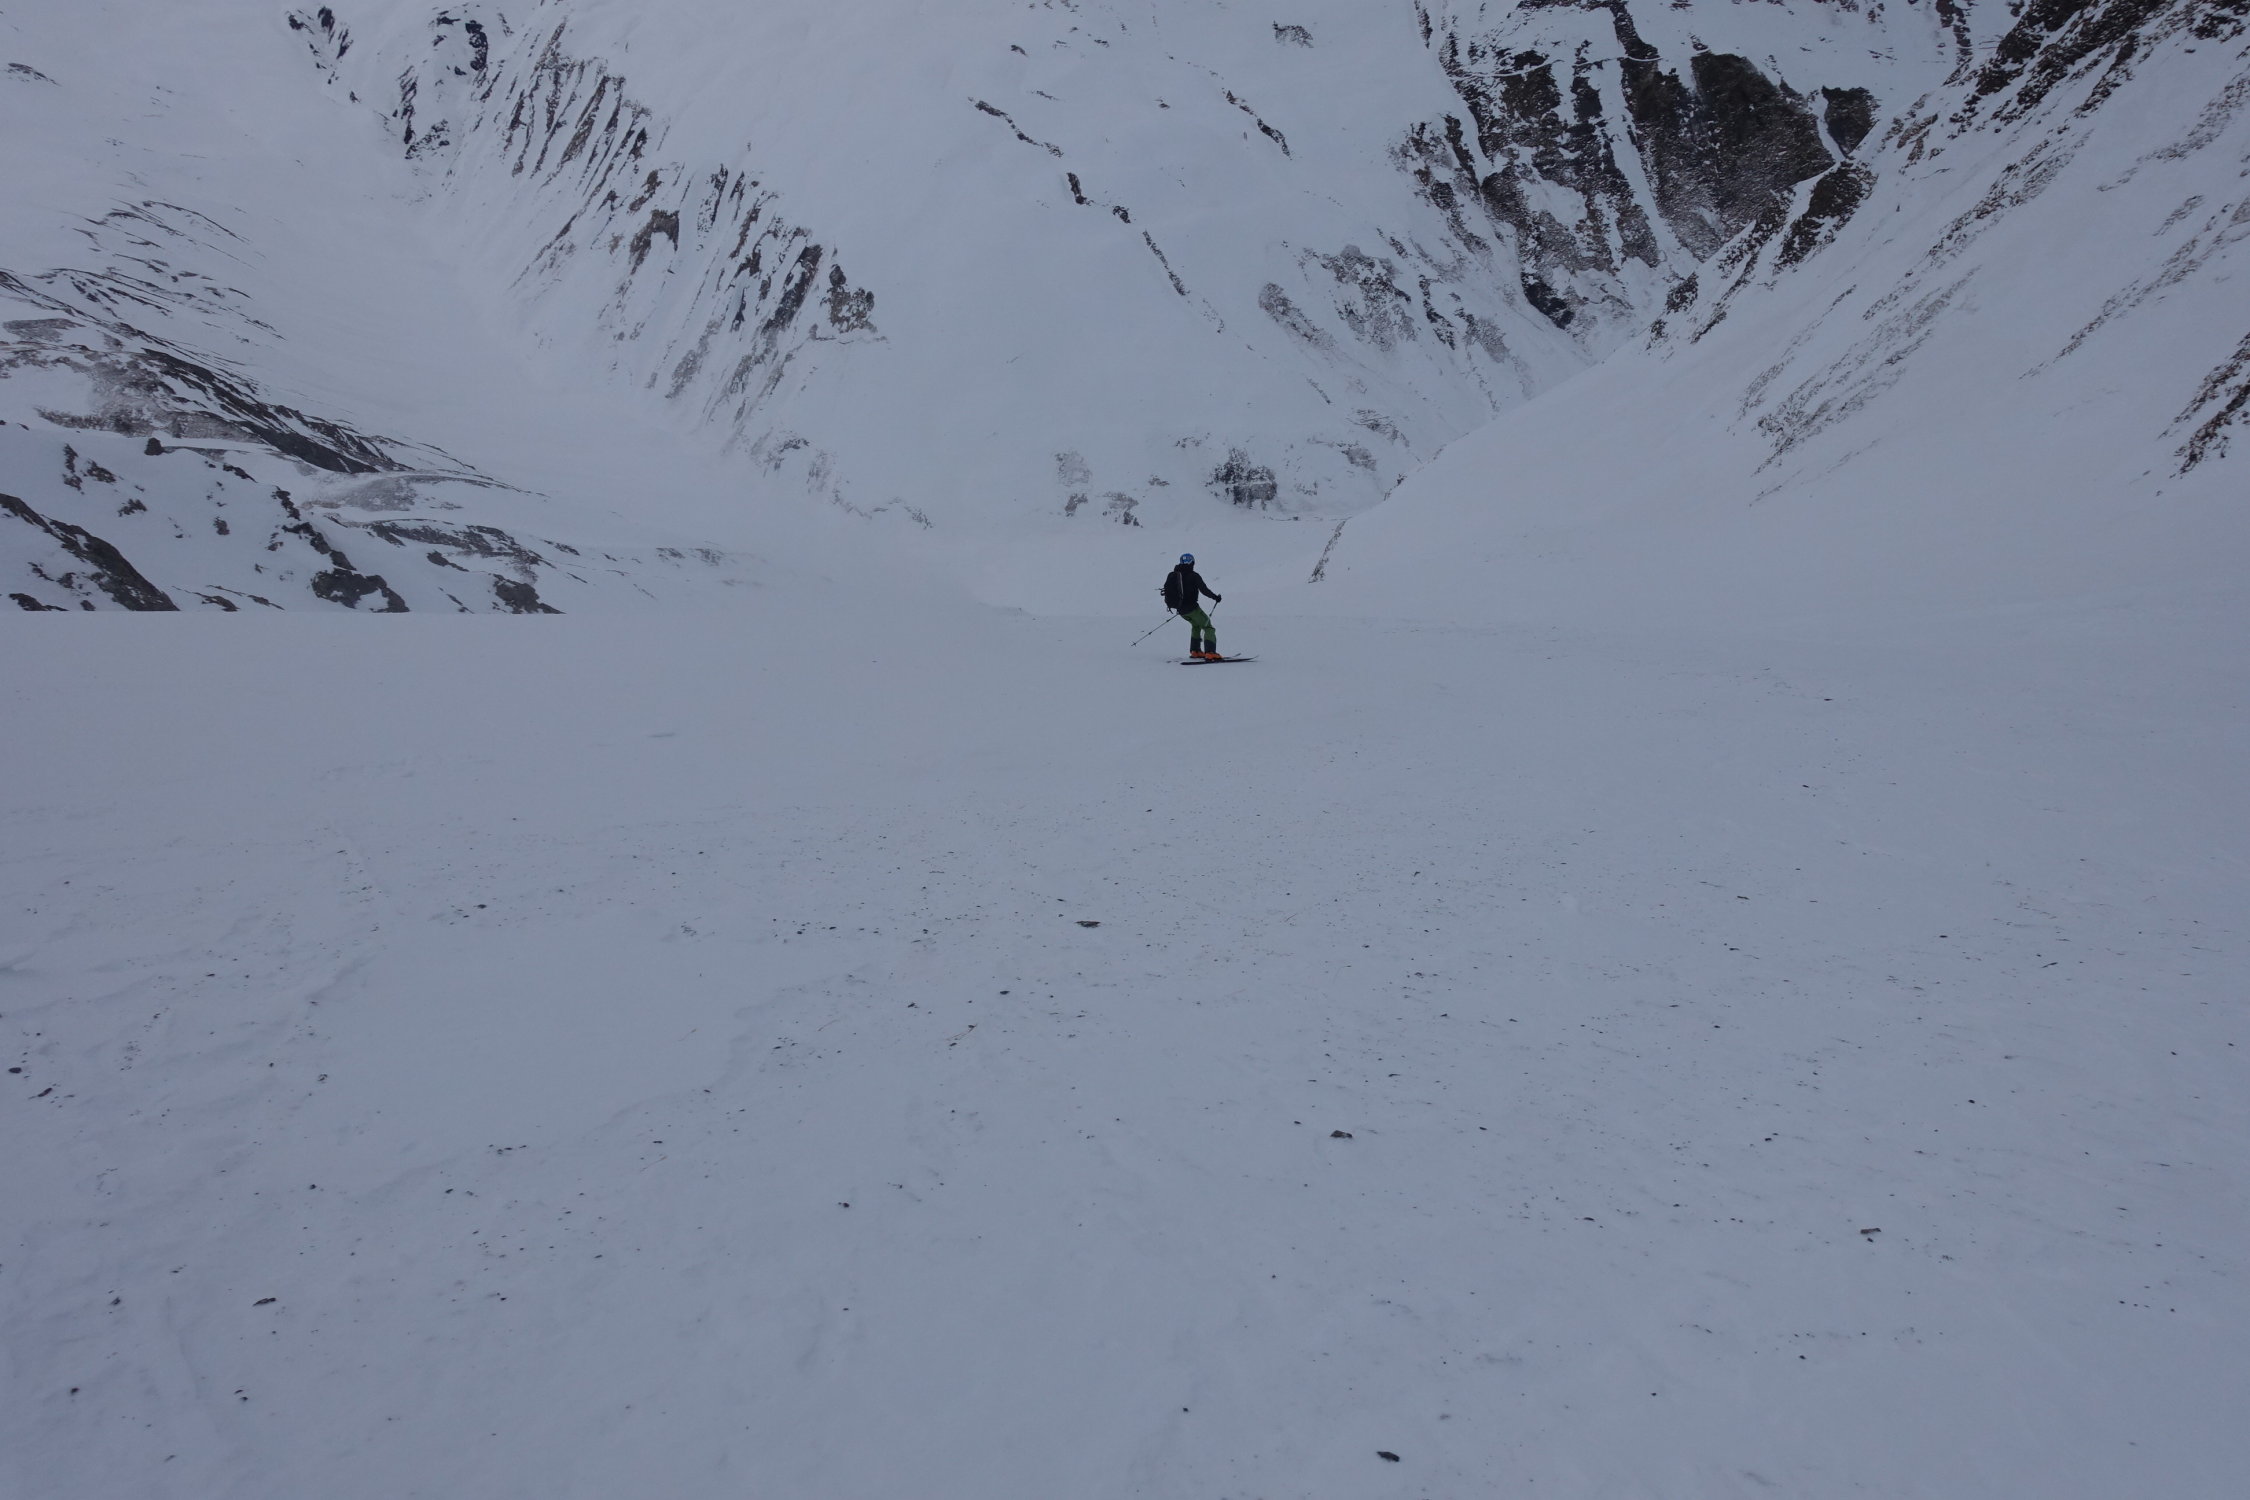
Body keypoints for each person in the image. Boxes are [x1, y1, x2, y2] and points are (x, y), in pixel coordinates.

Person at [1162, 553, 1223, 660]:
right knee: (1208, 627)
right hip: (1192, 609)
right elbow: (1204, 590)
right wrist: (1215, 597)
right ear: (1192, 563)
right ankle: (1210, 652)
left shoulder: (1175, 575)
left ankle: (1195, 651)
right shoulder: (1194, 576)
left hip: (1181, 610)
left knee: (1196, 626)